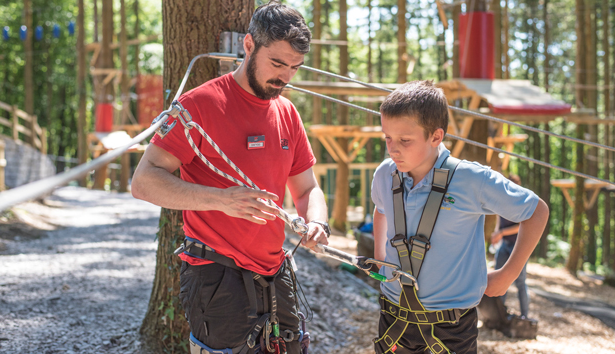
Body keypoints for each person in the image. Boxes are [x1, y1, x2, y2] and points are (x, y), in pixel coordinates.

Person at [131, 2, 330, 353]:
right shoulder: (201, 105)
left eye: (295, 67)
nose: (285, 77)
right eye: (277, 63)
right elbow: (143, 181)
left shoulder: (287, 112)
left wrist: (318, 223)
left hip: (275, 269)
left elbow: (307, 187)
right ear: (249, 46)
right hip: (216, 272)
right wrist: (221, 200)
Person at [371, 80, 549, 354]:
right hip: (394, 319)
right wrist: (379, 260)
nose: (393, 149)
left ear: (436, 136)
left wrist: (507, 274)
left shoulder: (471, 179)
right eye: (387, 137)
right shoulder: (386, 173)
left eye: (405, 140)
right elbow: (381, 209)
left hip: (450, 329)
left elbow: (536, 211)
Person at [491, 174, 530, 318]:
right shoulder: (500, 201)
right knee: (498, 278)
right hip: (504, 245)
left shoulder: (522, 202)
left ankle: (525, 315)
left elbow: (521, 226)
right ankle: (499, 314)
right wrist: (496, 234)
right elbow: (498, 219)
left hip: (518, 246)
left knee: (520, 281)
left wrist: (501, 232)